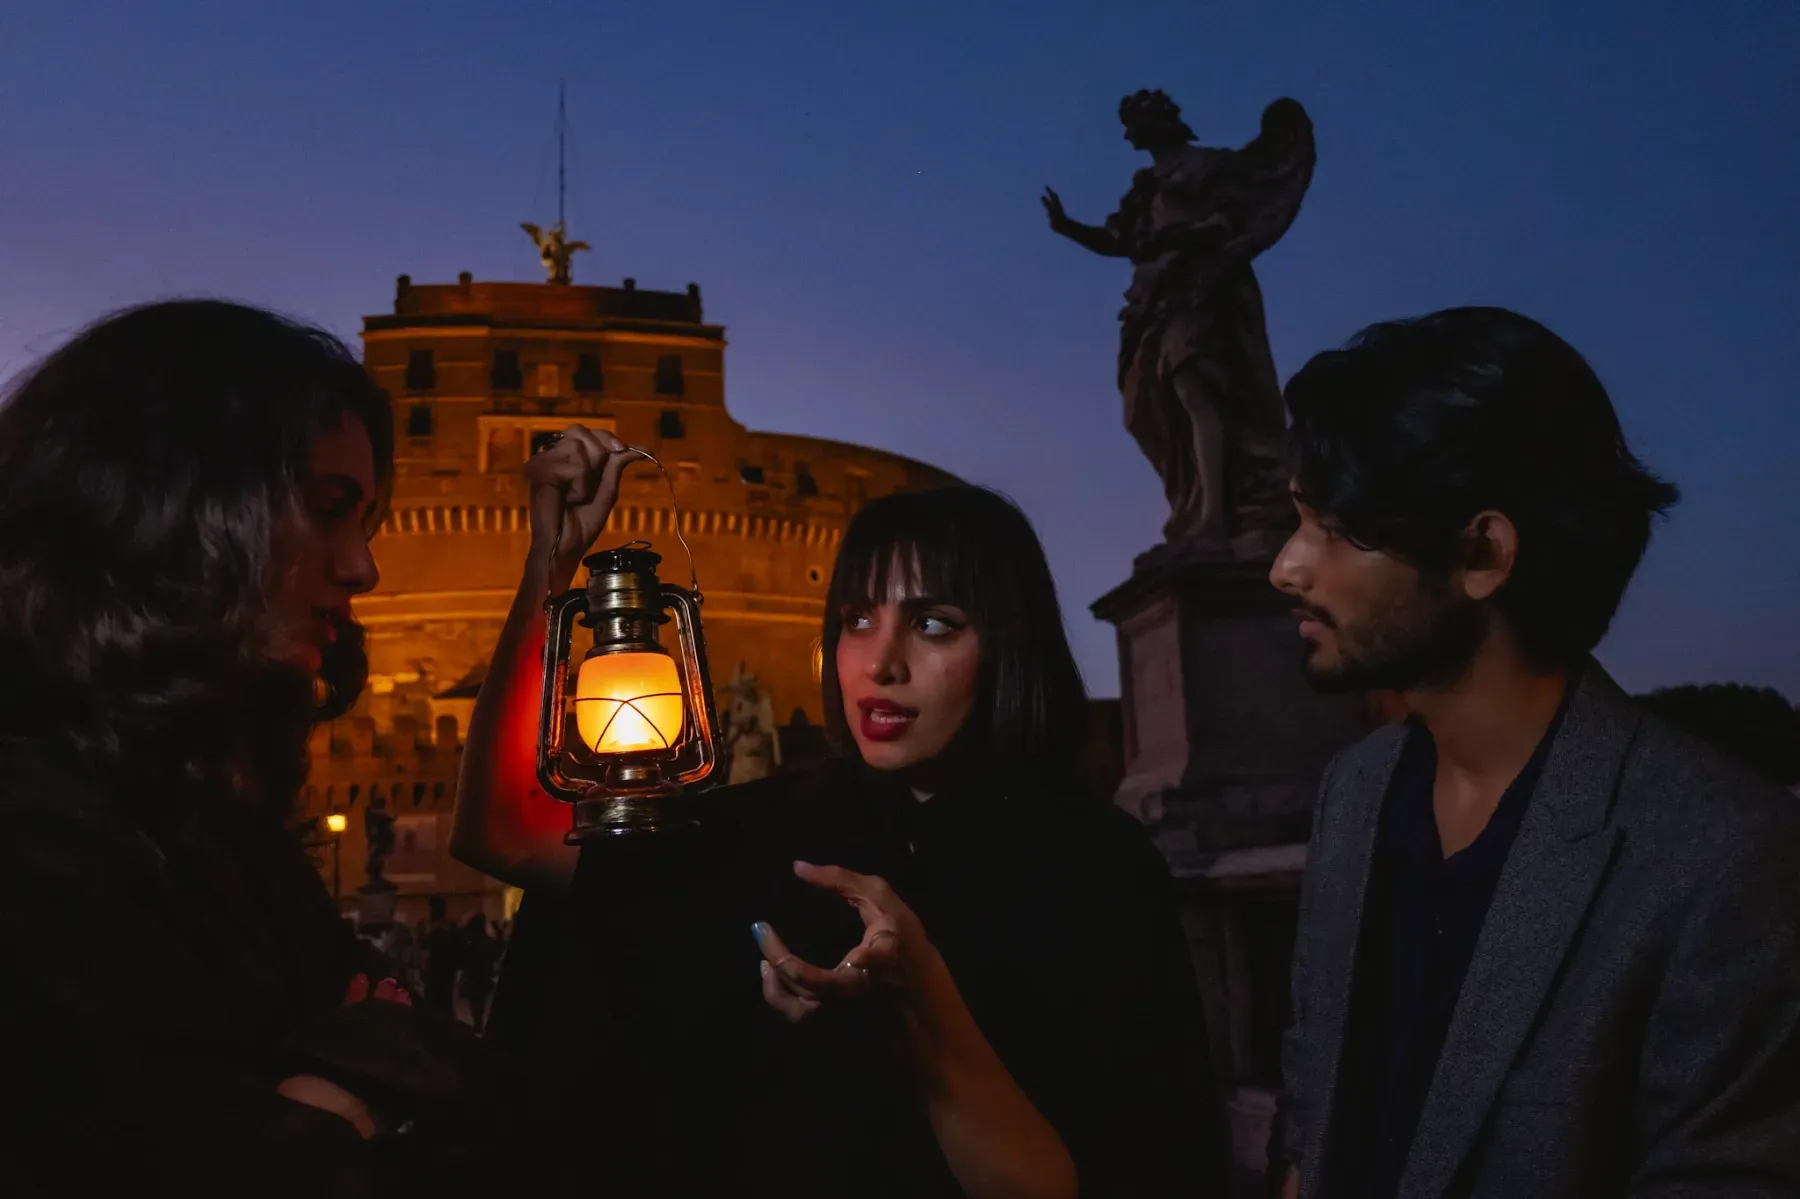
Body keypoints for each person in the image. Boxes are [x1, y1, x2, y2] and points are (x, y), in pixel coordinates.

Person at [452, 431, 1227, 1196]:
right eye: (857, 619)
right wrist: (549, 567)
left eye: (933, 624)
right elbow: (505, 833)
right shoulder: (769, 831)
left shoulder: (1098, 871)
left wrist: (922, 998)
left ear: (1006, 646)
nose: (880, 663)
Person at [1269, 307, 1800, 1197]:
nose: (1286, 566)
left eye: (1341, 530)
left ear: (1483, 553)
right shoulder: (1353, 793)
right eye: (1297, 520)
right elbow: (1310, 1117)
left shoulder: (1721, 854)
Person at [0, 300, 511, 1196]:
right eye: (326, 510)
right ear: (176, 505)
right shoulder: (34, 832)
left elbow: (427, 1071)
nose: (364, 569)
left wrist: (325, 1089)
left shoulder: (208, 824)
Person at [459, 914, 499, 1034]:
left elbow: (465, 959)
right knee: (481, 1000)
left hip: (473, 974)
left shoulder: (471, 942)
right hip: (485, 974)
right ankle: (479, 1023)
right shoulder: (489, 941)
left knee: (475, 1001)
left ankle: (478, 1023)